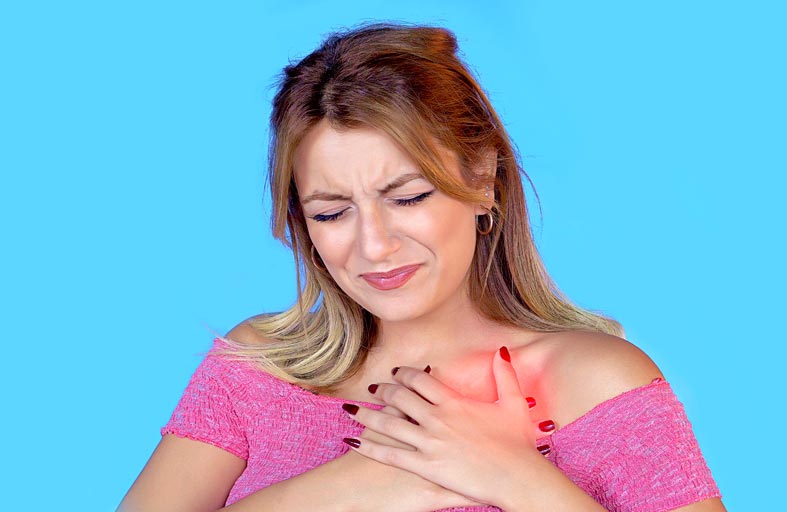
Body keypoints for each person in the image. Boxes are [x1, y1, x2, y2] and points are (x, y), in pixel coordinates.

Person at [118, 23, 724, 512]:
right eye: (331, 212)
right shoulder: (258, 369)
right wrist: (358, 485)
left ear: (483, 180)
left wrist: (516, 477)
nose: (375, 246)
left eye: (408, 198)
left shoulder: (596, 384)